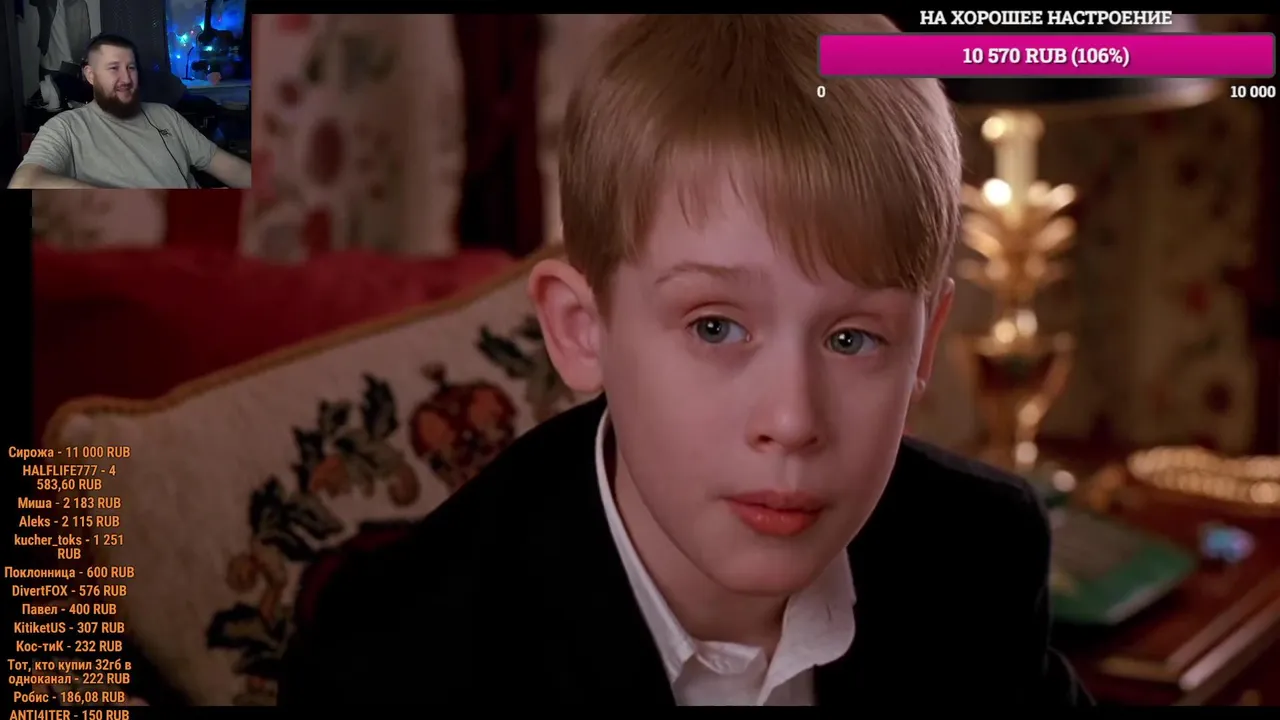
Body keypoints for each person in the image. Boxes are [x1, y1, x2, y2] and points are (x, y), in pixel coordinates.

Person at [280, 14, 1091, 707]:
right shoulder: (399, 659)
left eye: (852, 339)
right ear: (583, 329)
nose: (791, 421)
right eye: (715, 328)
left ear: (926, 344)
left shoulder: (976, 551)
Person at [8, 34, 252, 189]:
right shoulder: (65, 127)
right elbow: (24, 182)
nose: (126, 78)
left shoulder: (165, 114)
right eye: (114, 68)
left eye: (131, 67)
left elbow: (224, 165)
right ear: (90, 75)